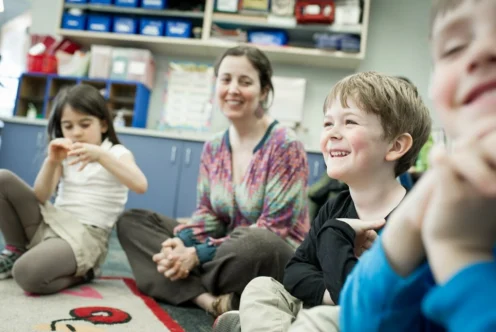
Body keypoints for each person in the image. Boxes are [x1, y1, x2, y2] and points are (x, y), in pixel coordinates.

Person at [213, 72, 432, 332]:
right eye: (328, 124)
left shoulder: (410, 221)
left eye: (350, 122)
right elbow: (295, 272)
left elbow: (360, 303)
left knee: (324, 321)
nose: (333, 133)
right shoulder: (335, 207)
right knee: (263, 288)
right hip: (322, 306)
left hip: (364, 322)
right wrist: (328, 292)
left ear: (395, 146)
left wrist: (335, 237)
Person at [116, 45, 310, 317]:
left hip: (266, 254)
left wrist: (195, 255)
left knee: (257, 243)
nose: (233, 89)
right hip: (223, 251)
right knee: (132, 222)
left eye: (245, 82)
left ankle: (178, 279)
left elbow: (274, 229)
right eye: (226, 79)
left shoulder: (285, 145)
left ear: (264, 91)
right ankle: (210, 301)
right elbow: (208, 214)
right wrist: (182, 243)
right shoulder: (214, 147)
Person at [337, 1, 496, 331]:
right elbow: (357, 317)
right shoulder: (444, 202)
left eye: (349, 122)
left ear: (397, 146)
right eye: (453, 48)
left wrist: (459, 253)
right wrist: (406, 231)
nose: (482, 50)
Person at [0, 84, 147, 294]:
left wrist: (101, 156)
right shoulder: (65, 154)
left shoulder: (116, 152)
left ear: (103, 125)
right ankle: (16, 249)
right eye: (68, 126)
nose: (76, 132)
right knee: (2, 179)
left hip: (85, 236)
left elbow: (140, 185)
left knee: (25, 274)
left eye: (85, 124)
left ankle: (84, 273)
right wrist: (52, 161)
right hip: (52, 221)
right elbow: (40, 196)